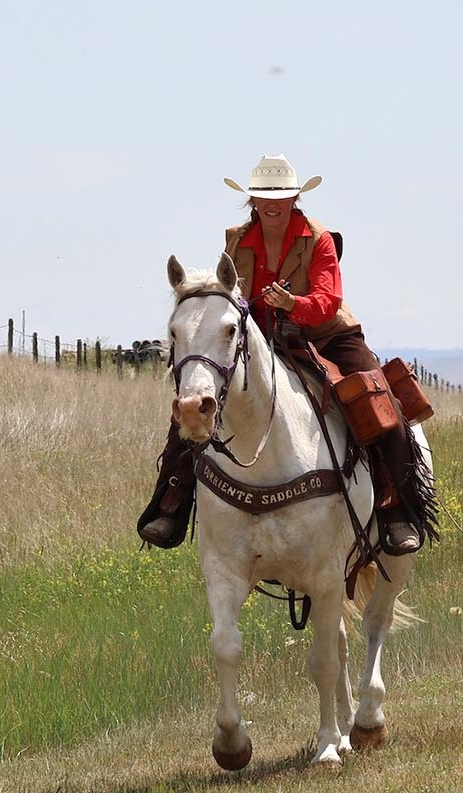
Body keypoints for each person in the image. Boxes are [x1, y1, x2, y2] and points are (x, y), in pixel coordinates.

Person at [137, 154, 427, 554]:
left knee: (380, 403)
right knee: (195, 403)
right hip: (260, 337)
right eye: (262, 196)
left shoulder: (319, 238)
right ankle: (171, 502)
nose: (272, 203)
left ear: (295, 199)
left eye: (282, 196)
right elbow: (230, 298)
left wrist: (293, 304)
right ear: (251, 201)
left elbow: (327, 300)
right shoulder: (236, 241)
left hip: (326, 334)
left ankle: (397, 509)